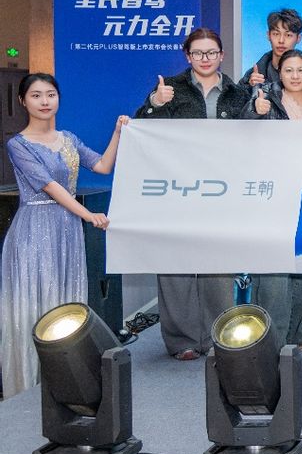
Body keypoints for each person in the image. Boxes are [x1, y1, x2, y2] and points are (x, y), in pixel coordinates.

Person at [0, 74, 127, 398]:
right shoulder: (18, 144)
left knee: (65, 304)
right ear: (23, 101)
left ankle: (66, 385)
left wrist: (117, 133)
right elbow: (51, 187)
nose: (44, 101)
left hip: (67, 231)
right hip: (34, 232)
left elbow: (102, 166)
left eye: (50, 94)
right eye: (36, 95)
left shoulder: (68, 138)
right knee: (34, 304)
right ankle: (29, 389)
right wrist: (88, 214)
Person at [135, 28, 251, 360]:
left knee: (218, 264)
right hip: (179, 188)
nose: (205, 58)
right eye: (198, 53)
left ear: (221, 55)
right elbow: (142, 129)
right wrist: (155, 104)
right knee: (176, 264)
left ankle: (217, 335)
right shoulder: (169, 88)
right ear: (188, 56)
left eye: (211, 52)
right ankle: (182, 339)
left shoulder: (238, 93)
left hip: (222, 189)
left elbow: (254, 139)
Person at [242, 48, 302, 351]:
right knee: (273, 264)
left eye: (301, 70)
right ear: (280, 73)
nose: (295, 76)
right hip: (273, 189)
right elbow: (240, 129)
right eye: (289, 70)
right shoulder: (263, 96)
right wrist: (256, 111)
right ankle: (272, 334)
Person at [240, 7, 302, 91]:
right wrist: (250, 88)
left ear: (298, 38)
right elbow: (236, 99)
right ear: (268, 35)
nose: (281, 40)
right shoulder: (252, 76)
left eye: (288, 35)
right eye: (276, 34)